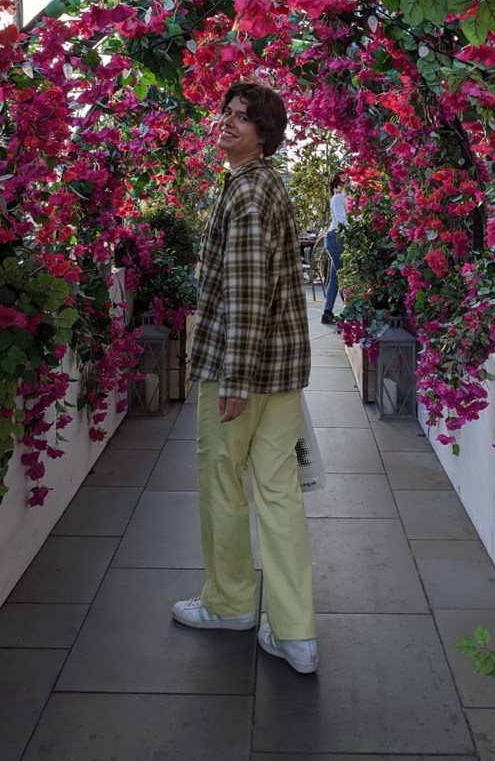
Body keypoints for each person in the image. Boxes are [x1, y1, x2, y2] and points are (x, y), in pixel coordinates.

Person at [172, 80, 318, 675]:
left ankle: (231, 603)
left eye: (244, 117)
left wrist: (233, 378)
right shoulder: (262, 186)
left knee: (224, 486)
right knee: (279, 494)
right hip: (279, 373)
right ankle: (296, 633)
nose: (229, 122)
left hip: (239, 373)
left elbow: (247, 292)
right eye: (227, 113)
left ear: (265, 134)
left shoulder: (248, 193)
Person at [321, 171, 348, 325]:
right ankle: (349, 310)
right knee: (342, 276)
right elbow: (341, 220)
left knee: (336, 277)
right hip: (337, 238)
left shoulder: (343, 198)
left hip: (337, 238)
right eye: (347, 180)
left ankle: (327, 312)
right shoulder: (337, 198)